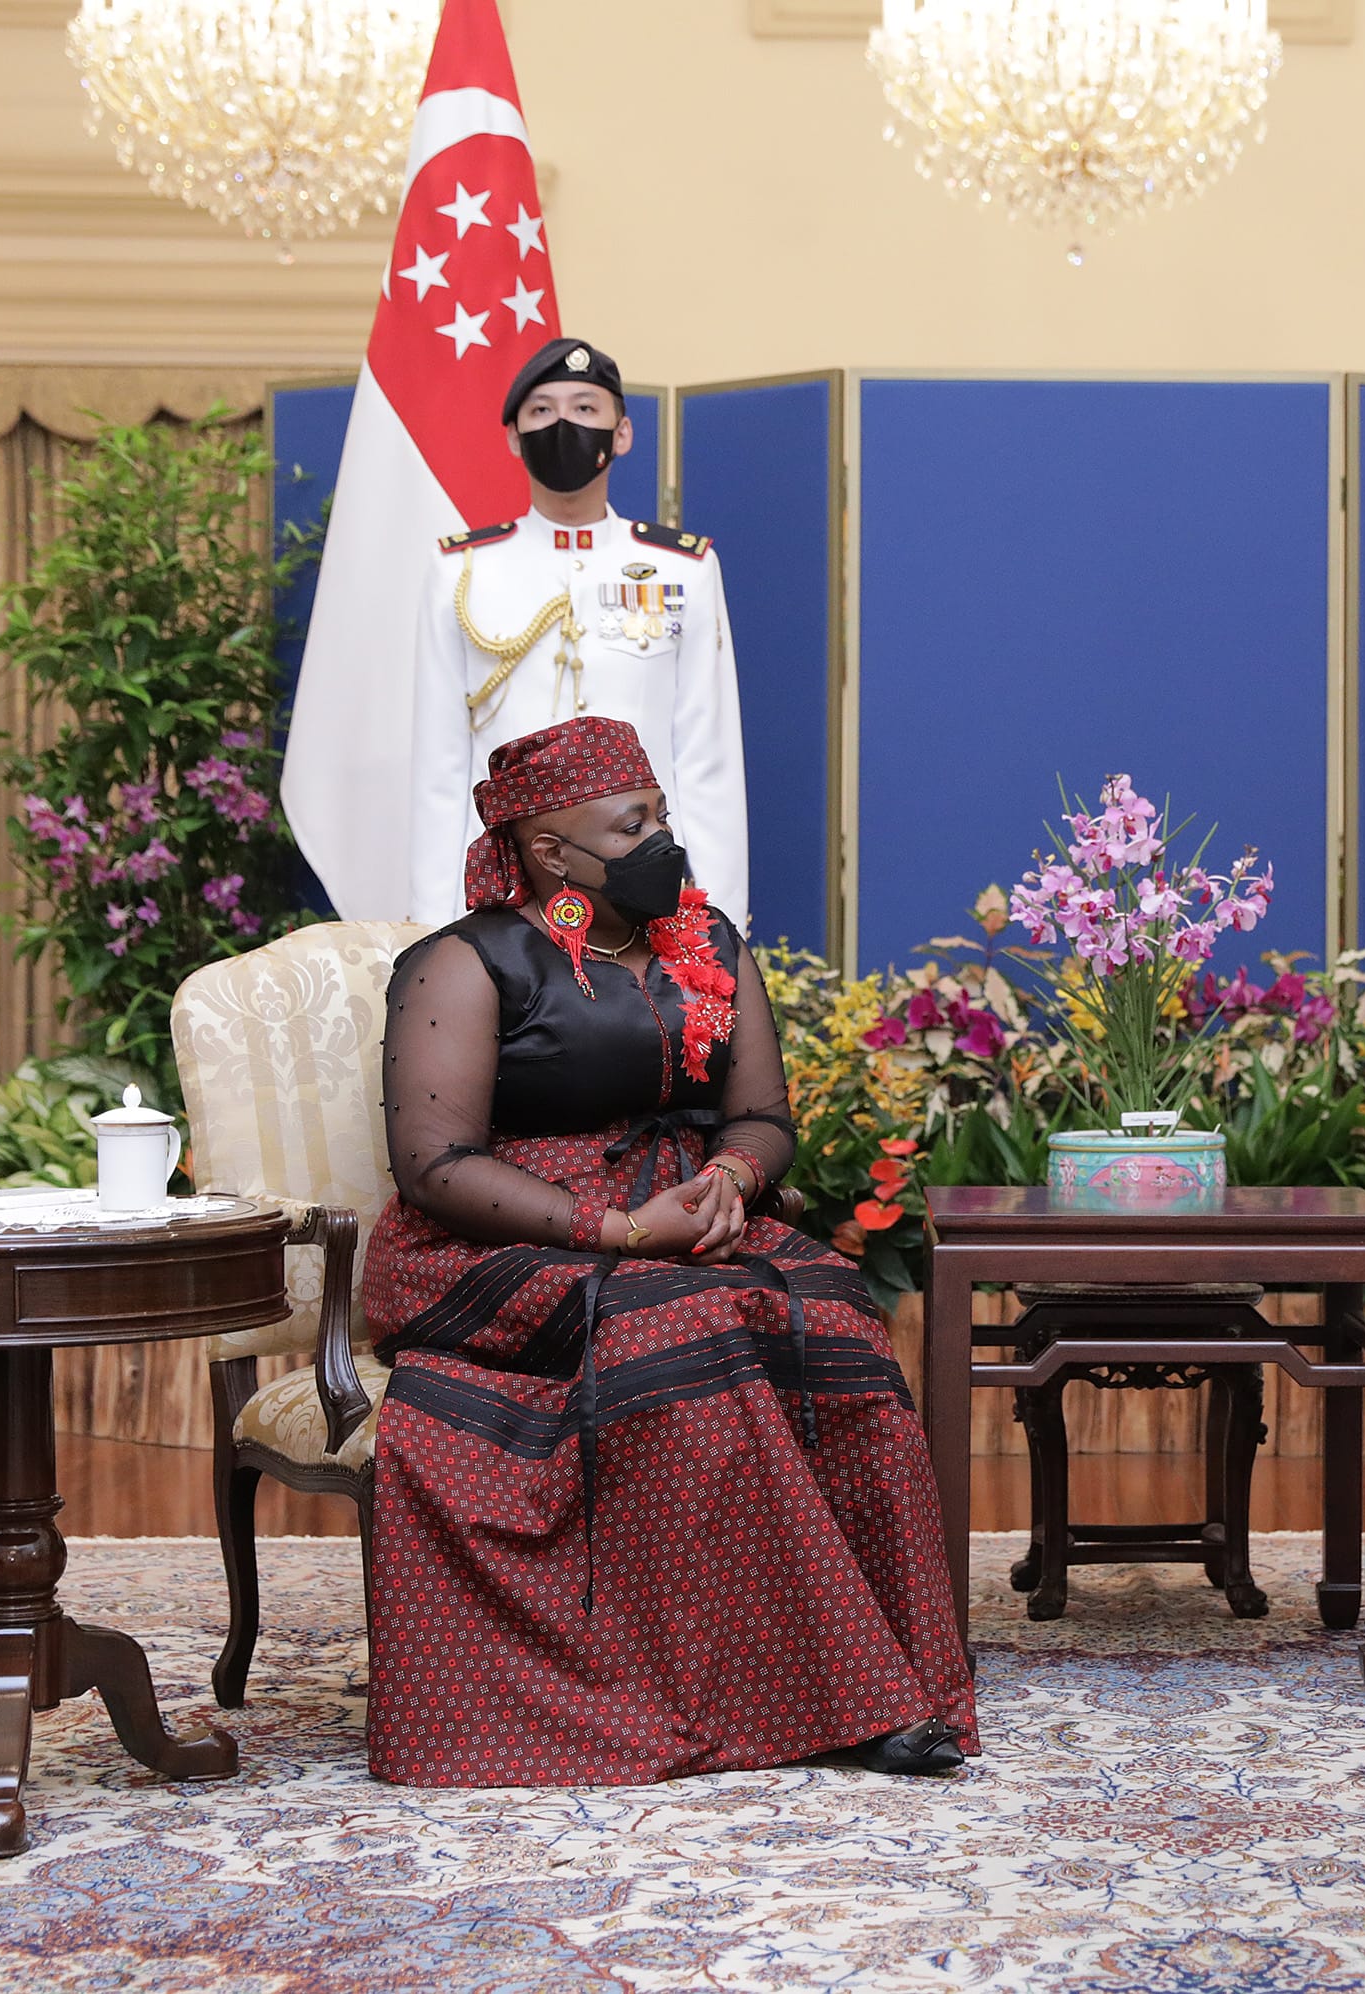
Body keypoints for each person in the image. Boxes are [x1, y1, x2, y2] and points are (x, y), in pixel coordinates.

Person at [360, 716, 973, 1784]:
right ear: (552, 851)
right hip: (509, 1234)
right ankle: (781, 1697)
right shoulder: (466, 961)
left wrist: (732, 1179)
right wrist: (621, 1230)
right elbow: (435, 1163)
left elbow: (765, 1117)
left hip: (683, 1209)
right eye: (631, 823)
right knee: (690, 1324)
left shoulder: (708, 939)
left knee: (832, 1310)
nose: (662, 840)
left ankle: (886, 1675)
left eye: (661, 814)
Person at [408, 337, 749, 930]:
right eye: (542, 411)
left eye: (585, 408)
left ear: (622, 433)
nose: (564, 423)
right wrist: (434, 917)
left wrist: (717, 916)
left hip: (642, 876)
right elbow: (438, 764)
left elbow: (707, 755)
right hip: (505, 880)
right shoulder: (461, 570)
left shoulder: (682, 569)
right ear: (514, 436)